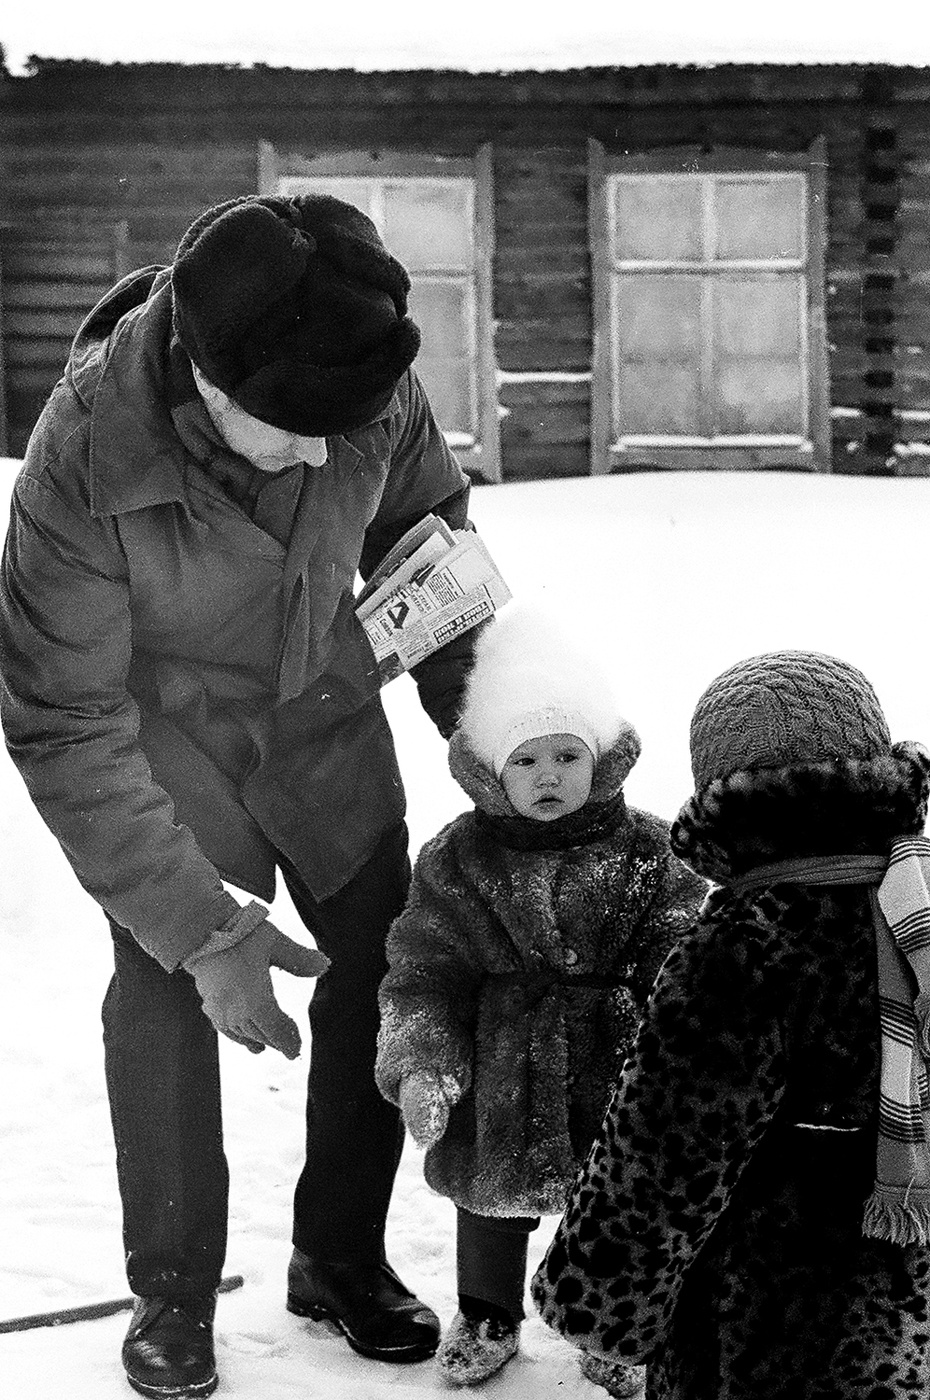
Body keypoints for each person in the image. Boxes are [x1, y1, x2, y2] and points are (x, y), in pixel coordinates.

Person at [0, 193, 484, 1398]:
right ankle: (172, 1287)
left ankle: (339, 1254)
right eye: (298, 431)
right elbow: (66, 720)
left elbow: (427, 538)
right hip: (166, 733)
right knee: (166, 980)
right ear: (213, 386)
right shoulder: (79, 461)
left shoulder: (356, 368)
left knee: (387, 963)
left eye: (344, 428)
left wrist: (491, 729)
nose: (326, 454)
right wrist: (208, 930)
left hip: (324, 713)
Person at [532, 649, 930, 1400]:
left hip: (772, 1314)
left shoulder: (745, 943)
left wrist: (596, 1297)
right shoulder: (919, 906)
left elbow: (664, 1152)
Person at [374, 606, 707, 1393]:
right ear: (492, 768)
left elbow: (683, 956)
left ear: (602, 757)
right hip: (502, 1068)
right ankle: (488, 1315)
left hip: (619, 1066)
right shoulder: (458, 858)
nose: (548, 775)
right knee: (491, 1201)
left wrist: (682, 1057)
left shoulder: (650, 850)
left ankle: (614, 1324)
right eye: (525, 759)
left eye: (567, 755)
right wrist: (423, 1064)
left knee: (625, 1203)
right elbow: (424, 973)